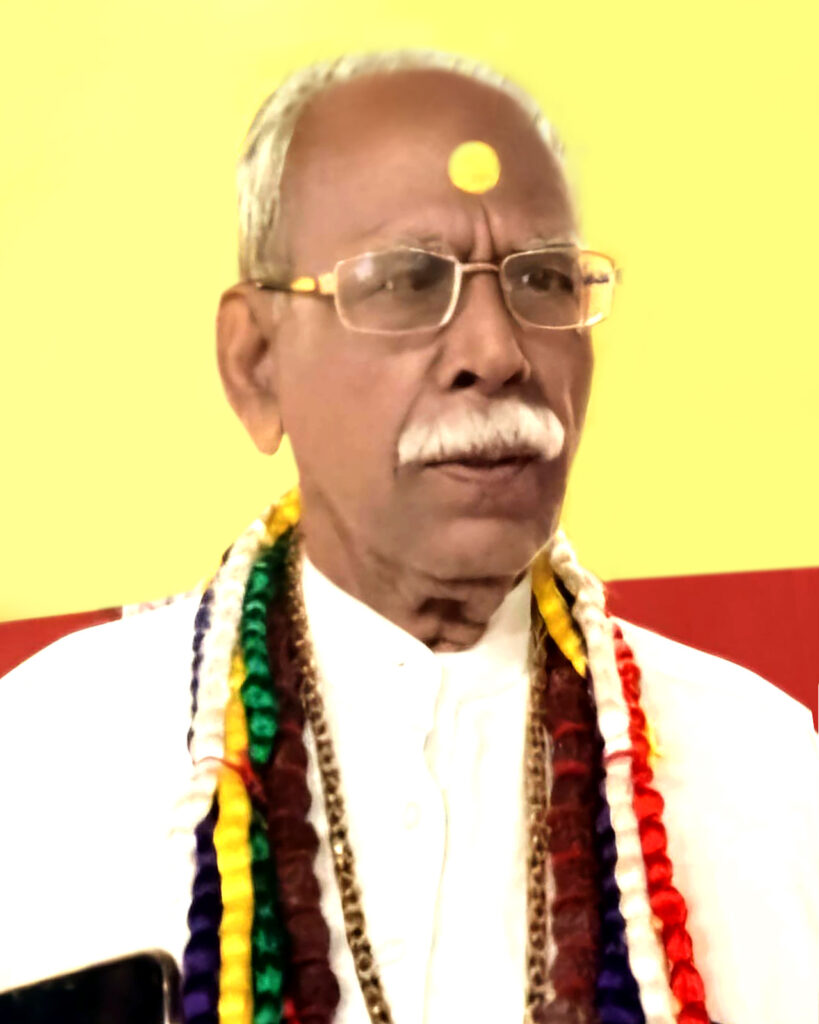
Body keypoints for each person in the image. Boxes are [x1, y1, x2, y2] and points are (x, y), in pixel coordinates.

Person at [0, 50, 816, 1024]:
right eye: (406, 281)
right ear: (256, 363)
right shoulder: (46, 753)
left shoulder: (764, 771)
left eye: (544, 279)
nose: (497, 352)